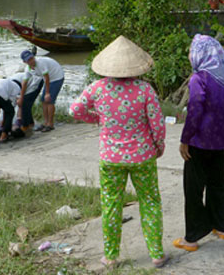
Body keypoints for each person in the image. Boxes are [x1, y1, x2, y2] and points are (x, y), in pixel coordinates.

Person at [69, 36, 168, 269]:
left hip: (110, 158)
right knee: (150, 201)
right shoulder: (145, 90)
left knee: (111, 205)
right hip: (143, 156)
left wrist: (97, 119)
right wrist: (158, 147)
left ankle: (111, 257)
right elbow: (157, 124)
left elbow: (74, 110)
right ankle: (156, 254)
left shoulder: (97, 88)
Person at [173, 35, 224, 252]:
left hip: (200, 141)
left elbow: (194, 110)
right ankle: (222, 227)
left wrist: (185, 139)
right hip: (221, 140)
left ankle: (192, 237)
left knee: (193, 188)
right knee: (218, 183)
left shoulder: (198, 79)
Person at [18, 51, 64, 132]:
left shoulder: (40, 63)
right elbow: (24, 82)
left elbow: (46, 78)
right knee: (43, 101)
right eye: (28, 60)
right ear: (25, 62)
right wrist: (21, 97)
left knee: (49, 100)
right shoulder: (27, 69)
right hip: (48, 79)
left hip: (56, 77)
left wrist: (47, 93)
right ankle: (45, 123)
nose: (31, 61)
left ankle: (50, 124)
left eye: (32, 58)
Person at [0, 76, 22, 143]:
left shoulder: (6, 82)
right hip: (0, 92)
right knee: (11, 112)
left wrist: (1, 122)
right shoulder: (17, 88)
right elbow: (9, 109)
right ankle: (4, 135)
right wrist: (5, 122)